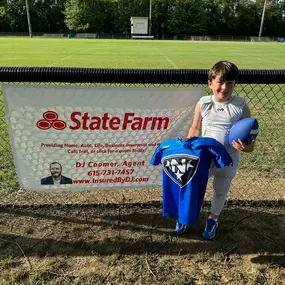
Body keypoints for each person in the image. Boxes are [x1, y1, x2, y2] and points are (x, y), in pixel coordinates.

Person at [180, 60, 256, 239]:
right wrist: (191, 139)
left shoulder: (240, 106)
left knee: (221, 190)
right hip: (205, 157)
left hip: (229, 157)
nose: (224, 87)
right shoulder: (204, 103)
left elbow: (251, 142)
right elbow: (195, 128)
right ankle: (185, 216)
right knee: (193, 188)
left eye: (230, 82)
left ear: (235, 84)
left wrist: (246, 147)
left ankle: (213, 218)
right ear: (210, 83)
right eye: (220, 82)